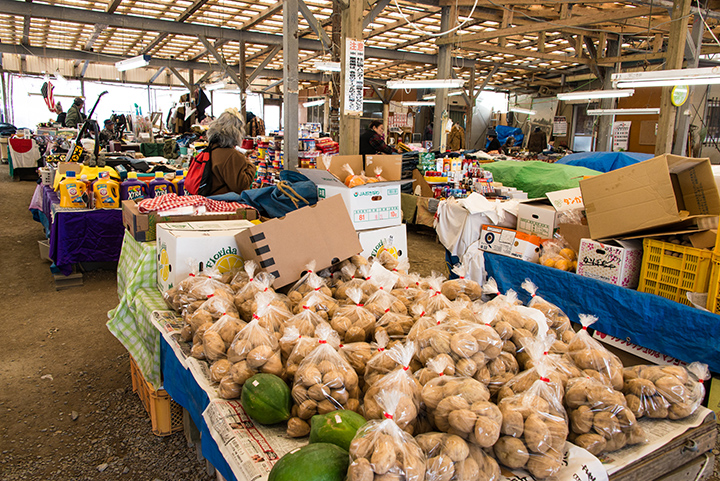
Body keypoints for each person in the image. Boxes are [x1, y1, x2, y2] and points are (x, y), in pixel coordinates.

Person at [205, 108, 257, 198]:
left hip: (207, 201)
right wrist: (251, 166)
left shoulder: (211, 149)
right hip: (223, 205)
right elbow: (241, 185)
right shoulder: (232, 156)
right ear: (237, 131)